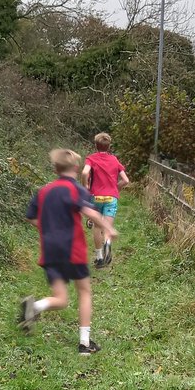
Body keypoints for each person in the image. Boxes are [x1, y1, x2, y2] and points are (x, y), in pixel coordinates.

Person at [18, 148, 117, 353]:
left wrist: (48, 228)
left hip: (50, 251)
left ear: (55, 169)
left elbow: (31, 217)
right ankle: (84, 343)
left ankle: (35, 307)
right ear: (76, 167)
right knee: (84, 291)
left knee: (61, 299)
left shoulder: (43, 191)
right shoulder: (76, 190)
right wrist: (109, 228)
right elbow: (91, 213)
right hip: (72, 249)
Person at [81, 132, 129, 268]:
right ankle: (107, 242)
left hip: (96, 197)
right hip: (111, 198)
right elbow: (125, 180)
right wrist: (115, 189)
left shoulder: (91, 158)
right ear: (109, 146)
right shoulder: (114, 160)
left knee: (97, 226)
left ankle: (99, 258)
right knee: (107, 227)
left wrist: (85, 186)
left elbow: (85, 172)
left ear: (96, 145)